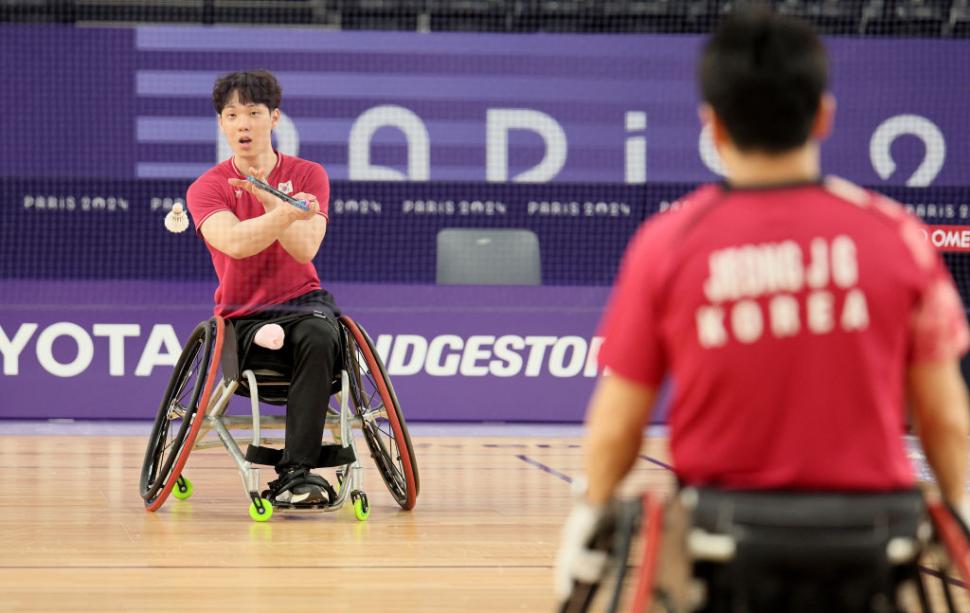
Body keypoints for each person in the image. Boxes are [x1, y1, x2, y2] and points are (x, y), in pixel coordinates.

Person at [555, 8, 970, 610]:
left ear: (713, 126)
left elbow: (618, 425)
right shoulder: (897, 236)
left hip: (726, 542)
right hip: (870, 543)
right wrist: (958, 510)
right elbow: (946, 421)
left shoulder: (668, 245)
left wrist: (586, 517)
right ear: (823, 116)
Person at [186, 70, 341, 506]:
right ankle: (268, 337)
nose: (243, 124)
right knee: (269, 336)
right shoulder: (207, 188)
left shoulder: (310, 174)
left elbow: (305, 247)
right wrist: (288, 211)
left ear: (274, 118)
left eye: (253, 113)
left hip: (305, 304)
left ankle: (296, 472)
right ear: (221, 123)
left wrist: (272, 199)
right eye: (232, 114)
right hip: (243, 311)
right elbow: (234, 242)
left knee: (321, 332)